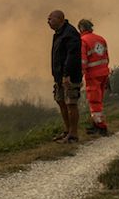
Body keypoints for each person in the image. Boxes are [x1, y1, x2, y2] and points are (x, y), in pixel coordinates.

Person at [47, 10, 82, 143]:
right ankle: (67, 131)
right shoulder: (58, 34)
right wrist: (58, 76)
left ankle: (73, 135)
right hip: (59, 77)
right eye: (48, 19)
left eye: (51, 19)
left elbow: (72, 56)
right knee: (61, 101)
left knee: (71, 103)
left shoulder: (70, 33)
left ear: (60, 19)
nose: (48, 22)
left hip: (69, 77)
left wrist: (66, 75)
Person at [78, 19, 110, 136]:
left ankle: (101, 127)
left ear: (81, 28)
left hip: (93, 75)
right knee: (99, 100)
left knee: (94, 101)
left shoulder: (83, 41)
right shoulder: (101, 39)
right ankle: (96, 123)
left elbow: (83, 61)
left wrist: (80, 76)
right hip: (104, 73)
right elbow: (106, 57)